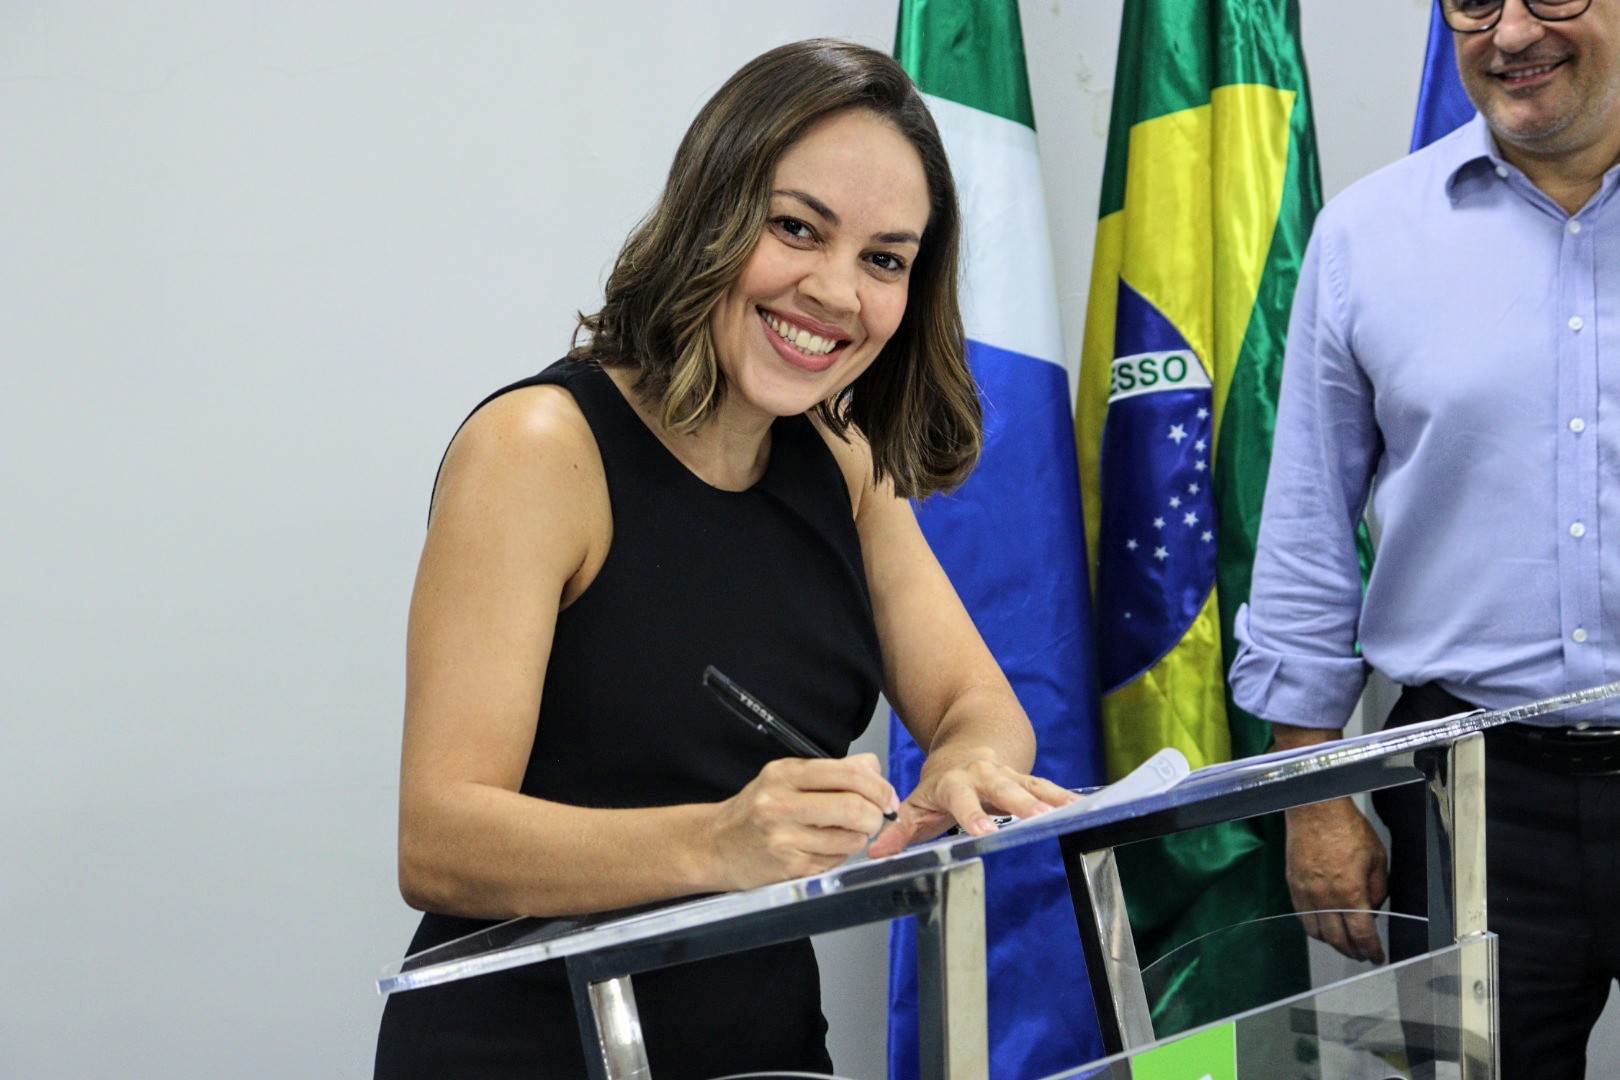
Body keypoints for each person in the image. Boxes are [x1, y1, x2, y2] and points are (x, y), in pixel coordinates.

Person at [372, 39, 1076, 1080]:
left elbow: (978, 704)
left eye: (884, 260)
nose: (837, 292)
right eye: (797, 228)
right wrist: (717, 840)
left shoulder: (844, 461)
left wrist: (968, 766)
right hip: (529, 1050)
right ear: (711, 212)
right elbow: (439, 840)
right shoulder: (539, 448)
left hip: (762, 1045)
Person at [1229, 0, 1620, 1074]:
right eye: (1474, 2)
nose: (1510, 33)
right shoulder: (1367, 237)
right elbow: (1306, 530)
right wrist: (1313, 796)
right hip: (1467, 797)